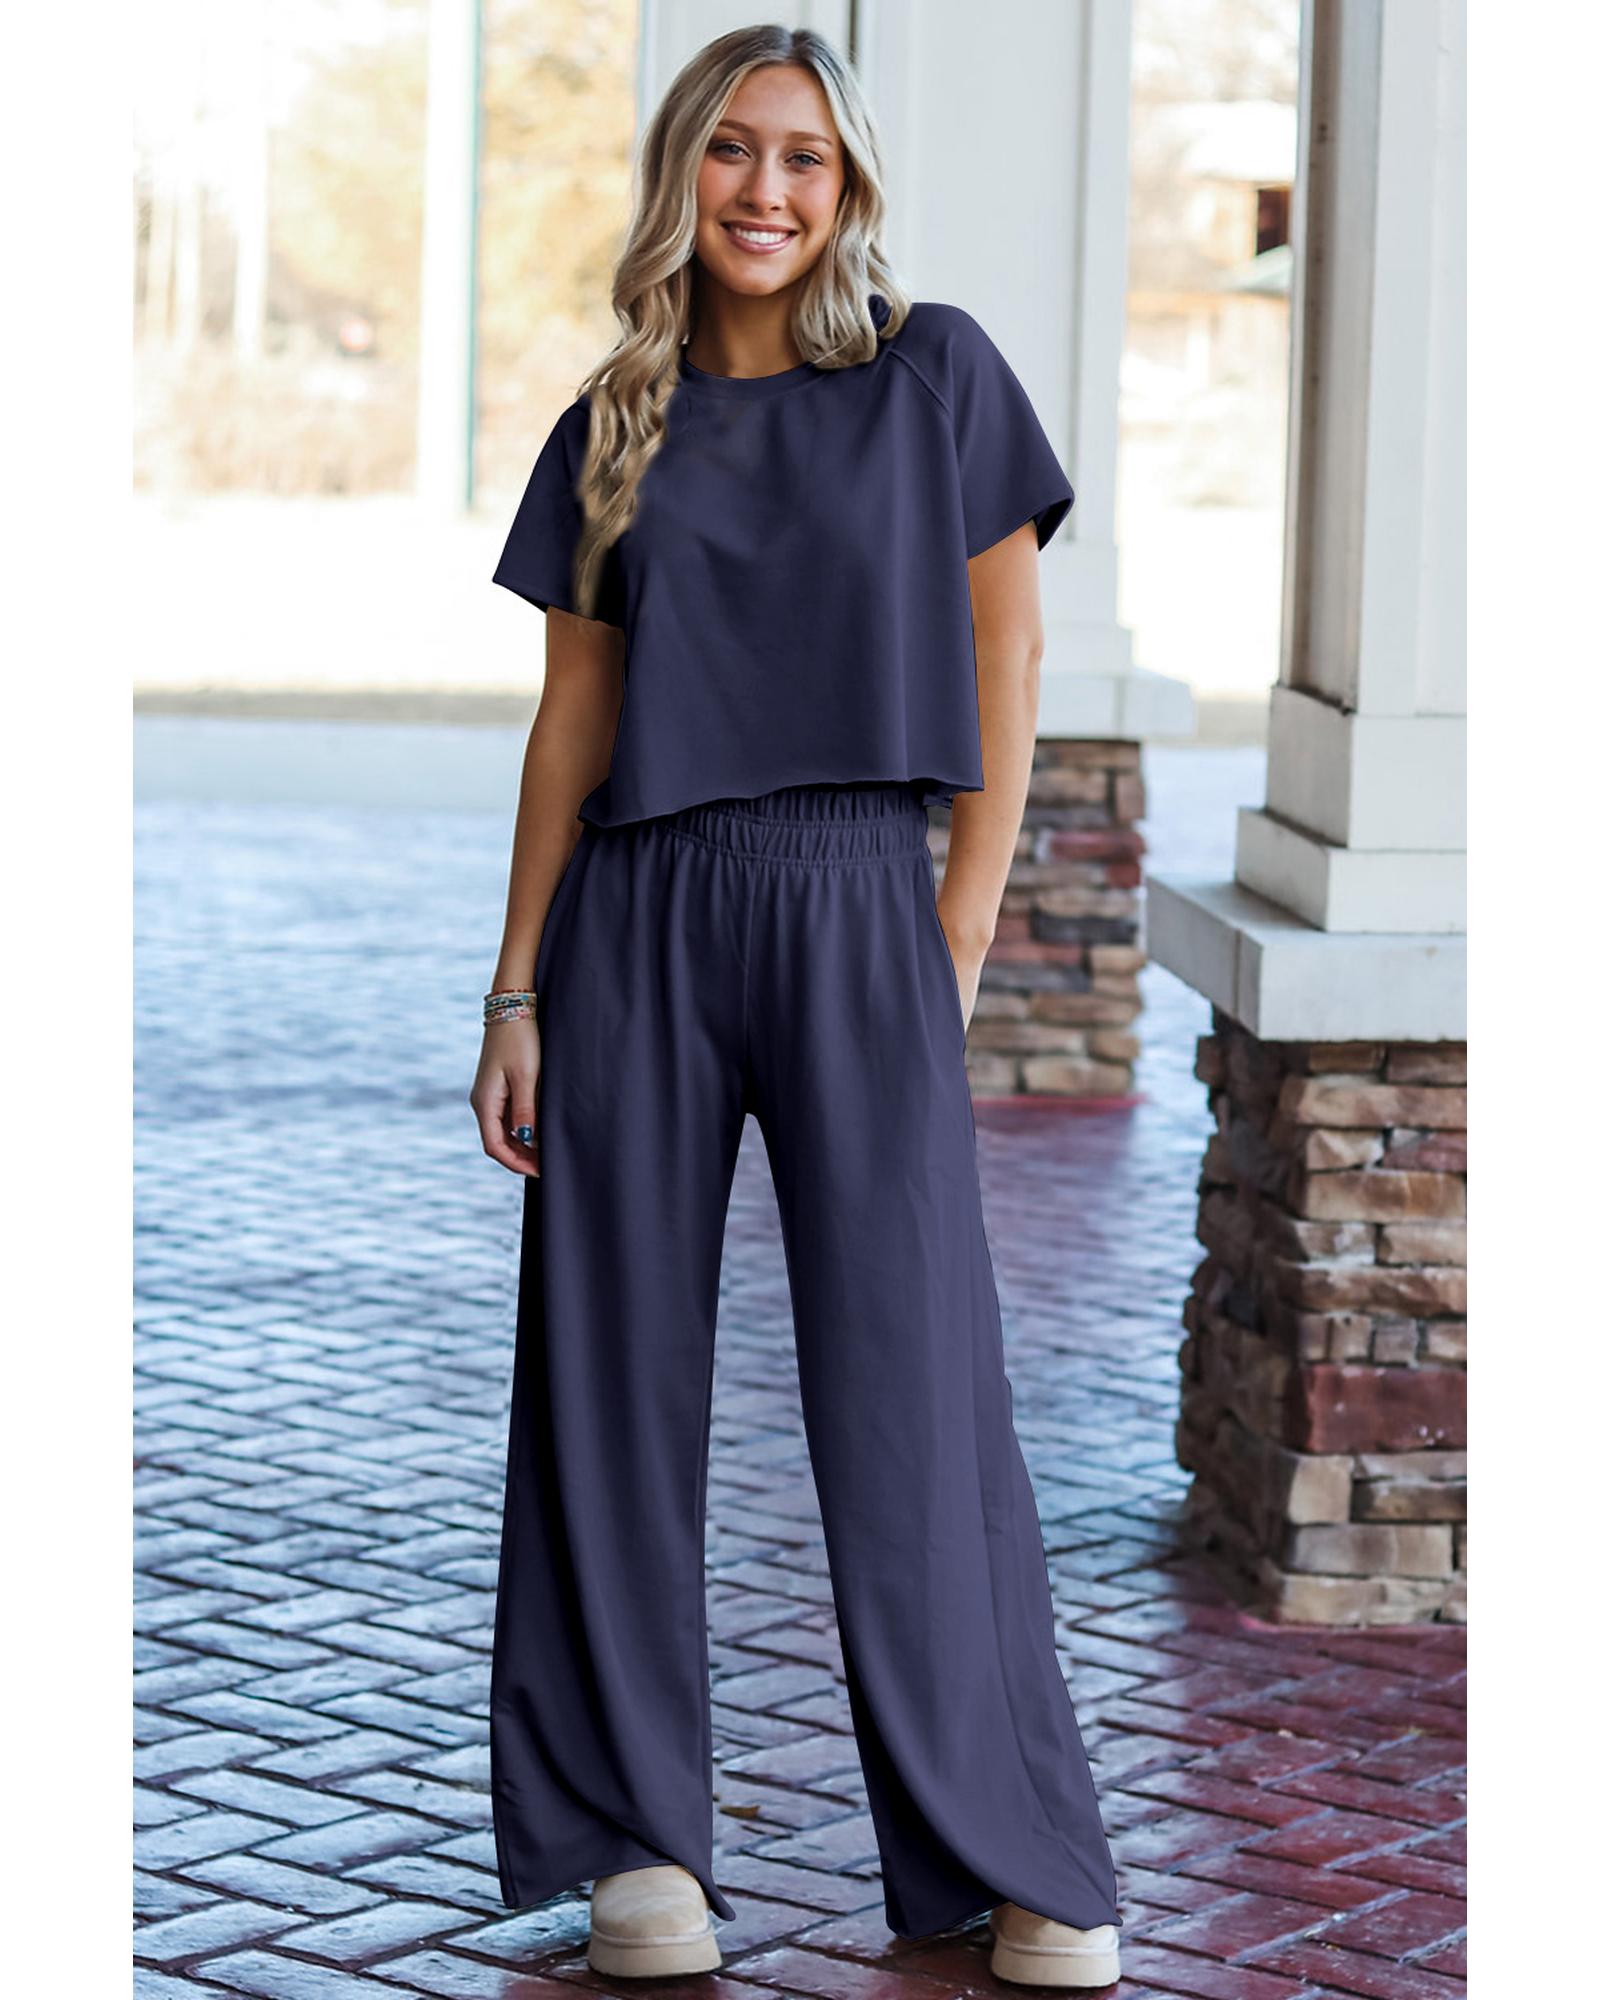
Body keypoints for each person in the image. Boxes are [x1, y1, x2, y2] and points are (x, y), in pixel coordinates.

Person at [469, 22, 1122, 1991]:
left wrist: (956, 931)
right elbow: (573, 716)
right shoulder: (613, 419)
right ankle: (633, 1845)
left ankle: (1013, 1845)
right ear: (682, 172)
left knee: (917, 1386)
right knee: (606, 1378)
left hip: (858, 905)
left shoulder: (936, 377)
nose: (767, 190)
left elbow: (1009, 658)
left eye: (804, 159)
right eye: (734, 151)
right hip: (639, 916)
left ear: (846, 190)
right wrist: (515, 986)